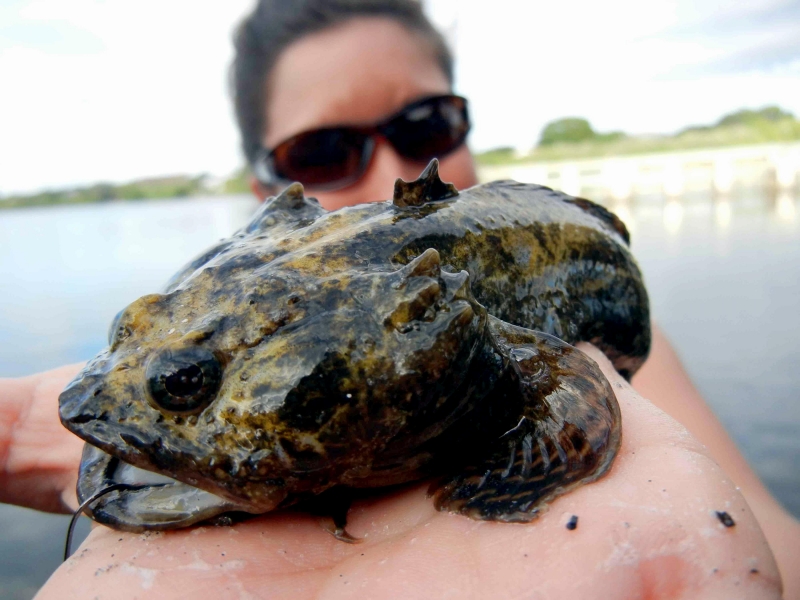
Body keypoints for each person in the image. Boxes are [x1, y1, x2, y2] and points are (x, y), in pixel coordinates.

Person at [1, 1, 797, 598]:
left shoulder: (619, 367)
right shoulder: (219, 303)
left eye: (427, 124)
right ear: (268, 196)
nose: (388, 171)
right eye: (322, 151)